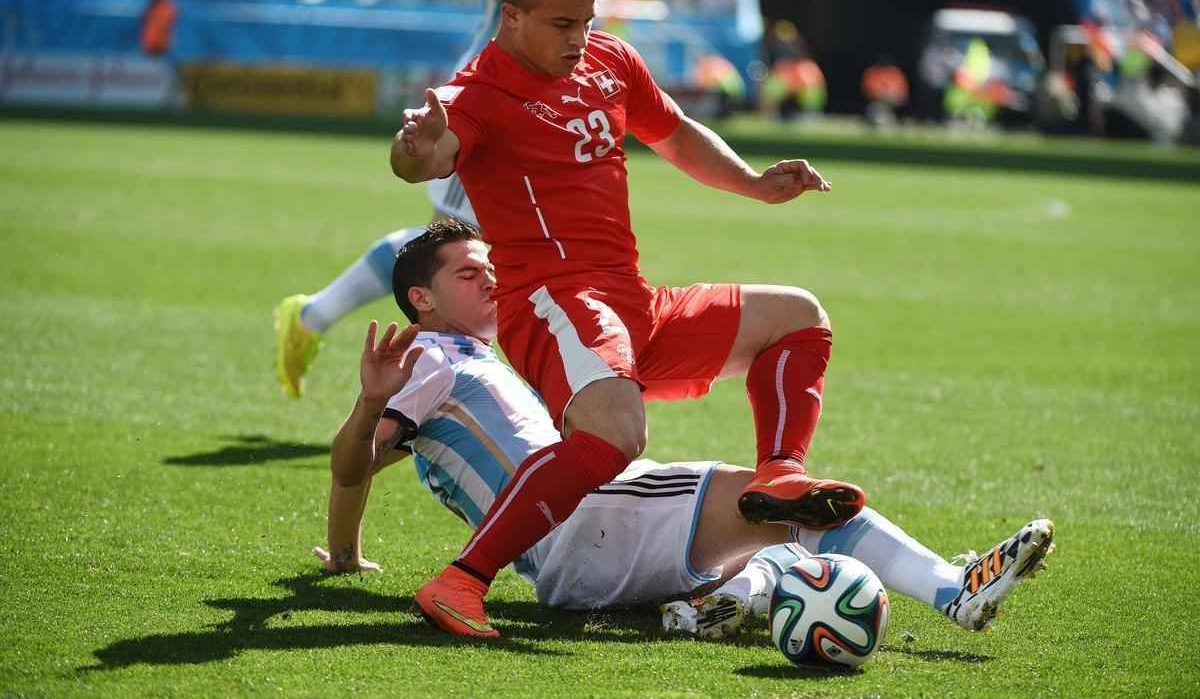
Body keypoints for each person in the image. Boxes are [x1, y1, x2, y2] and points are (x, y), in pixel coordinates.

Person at [391, 0, 866, 637]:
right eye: (561, 24)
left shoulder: (611, 59)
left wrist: (754, 185)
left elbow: (673, 134)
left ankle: (776, 477)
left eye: (585, 20)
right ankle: (462, 580)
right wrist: (415, 149)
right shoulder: (476, 95)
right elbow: (425, 157)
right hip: (555, 303)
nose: (579, 37)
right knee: (617, 431)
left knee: (798, 317)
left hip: (630, 302)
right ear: (511, 16)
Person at [314, 221, 1056, 640]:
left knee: (778, 529)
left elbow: (352, 471)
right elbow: (354, 459)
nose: (493, 278)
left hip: (568, 560)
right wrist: (368, 404)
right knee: (788, 501)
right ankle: (954, 589)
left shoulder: (472, 355)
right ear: (422, 298)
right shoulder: (429, 353)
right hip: (586, 520)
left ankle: (722, 600)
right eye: (471, 273)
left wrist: (345, 558)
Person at [272, 0, 586, 399]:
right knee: (468, 248)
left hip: (530, 104)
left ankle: (314, 319)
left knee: (466, 245)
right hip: (489, 100)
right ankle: (486, 399)